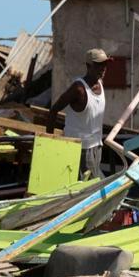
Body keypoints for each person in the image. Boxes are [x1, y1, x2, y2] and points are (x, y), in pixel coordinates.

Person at [48, 47, 109, 179]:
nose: (103, 68)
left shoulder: (100, 84)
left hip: (97, 146)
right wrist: (49, 143)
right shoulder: (78, 89)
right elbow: (53, 110)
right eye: (99, 64)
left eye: (105, 64)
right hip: (80, 148)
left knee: (91, 185)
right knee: (89, 186)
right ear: (88, 66)